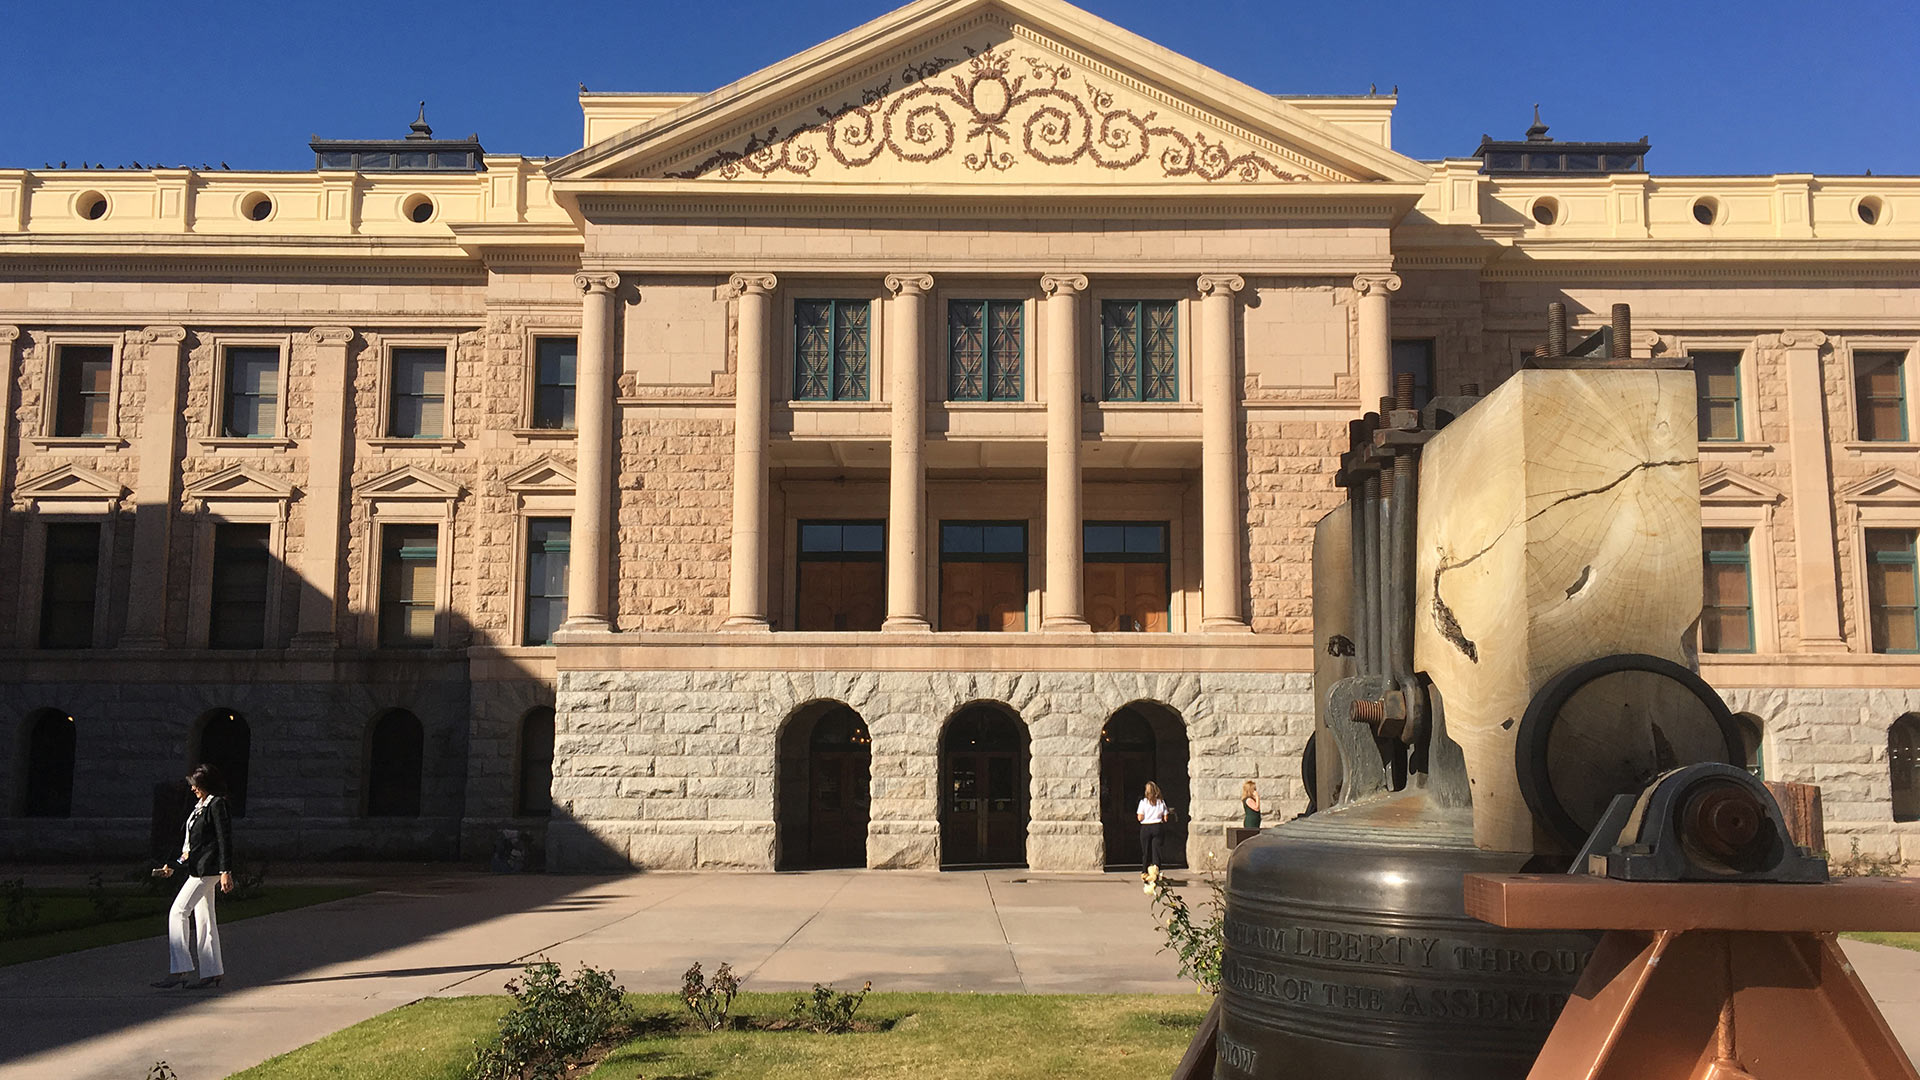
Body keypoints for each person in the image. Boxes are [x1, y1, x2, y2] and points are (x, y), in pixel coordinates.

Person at [151, 763, 233, 990]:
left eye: (196, 785)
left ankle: (180, 969)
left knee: (178, 911)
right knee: (205, 918)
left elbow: (223, 840)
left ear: (205, 784)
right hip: (199, 867)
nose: (193, 789)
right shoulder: (200, 806)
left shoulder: (217, 804)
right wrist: (174, 865)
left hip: (208, 870)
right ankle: (212, 971)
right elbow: (191, 848)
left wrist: (226, 871)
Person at [1136, 781, 1171, 877]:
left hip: (1146, 827)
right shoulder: (1161, 802)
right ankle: (1156, 870)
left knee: (1146, 850)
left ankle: (1145, 871)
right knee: (1156, 850)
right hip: (1157, 826)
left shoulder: (1143, 802)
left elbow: (1140, 818)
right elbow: (1165, 818)